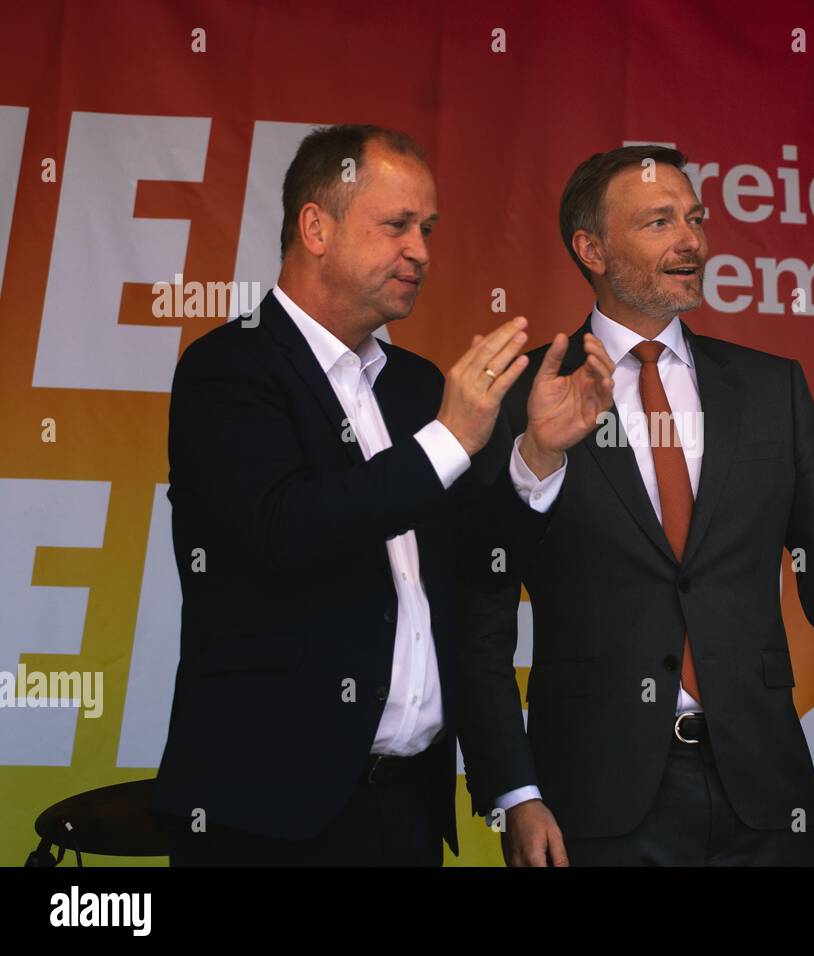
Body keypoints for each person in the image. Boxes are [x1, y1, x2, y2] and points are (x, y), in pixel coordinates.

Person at [151, 124, 612, 865]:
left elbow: (472, 570)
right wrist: (451, 440)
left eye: (426, 229)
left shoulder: (419, 386)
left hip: (404, 816)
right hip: (265, 819)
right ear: (316, 227)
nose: (422, 251)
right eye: (397, 225)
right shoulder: (227, 368)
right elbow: (286, 530)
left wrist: (535, 454)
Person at [458, 145, 814, 867]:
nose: (692, 240)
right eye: (659, 222)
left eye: (694, 218)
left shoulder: (771, 392)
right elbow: (479, 608)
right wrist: (514, 792)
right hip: (592, 809)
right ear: (591, 248)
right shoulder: (521, 397)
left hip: (764, 802)